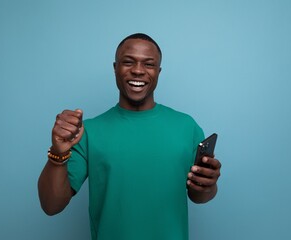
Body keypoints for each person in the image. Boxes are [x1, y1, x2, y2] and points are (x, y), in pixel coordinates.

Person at [38, 33, 222, 240]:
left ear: (158, 72)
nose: (138, 70)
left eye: (148, 64)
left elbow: (199, 196)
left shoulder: (187, 126)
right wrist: (57, 154)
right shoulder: (87, 132)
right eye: (128, 62)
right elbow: (51, 205)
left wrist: (208, 184)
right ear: (115, 68)